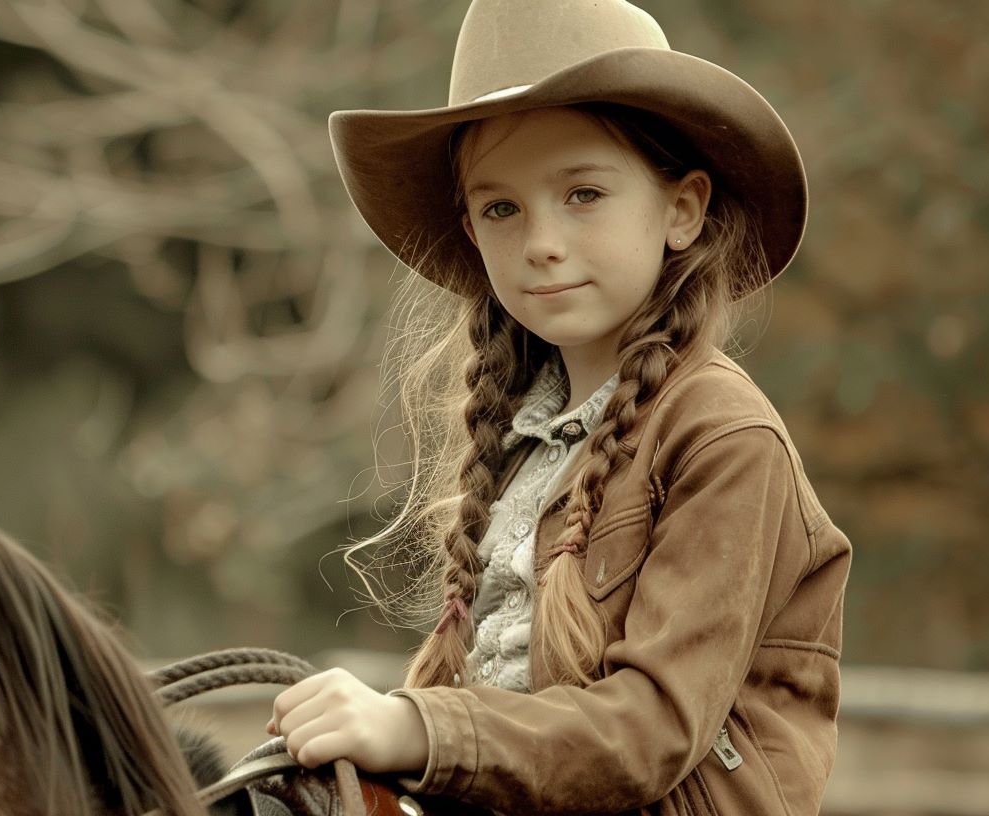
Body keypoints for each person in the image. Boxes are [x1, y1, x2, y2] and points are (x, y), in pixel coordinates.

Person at [264, 1, 852, 814]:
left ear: (681, 209)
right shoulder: (530, 440)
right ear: (472, 229)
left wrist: (416, 729)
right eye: (503, 209)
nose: (540, 240)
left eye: (582, 193)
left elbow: (648, 730)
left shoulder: (724, 439)